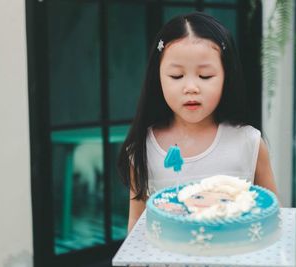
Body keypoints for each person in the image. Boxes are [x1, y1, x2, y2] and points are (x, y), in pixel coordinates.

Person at [117, 12, 278, 233]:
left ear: (226, 77)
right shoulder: (142, 149)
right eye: (176, 76)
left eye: (205, 76)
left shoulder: (249, 143)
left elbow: (273, 218)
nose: (191, 87)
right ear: (158, 78)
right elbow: (136, 224)